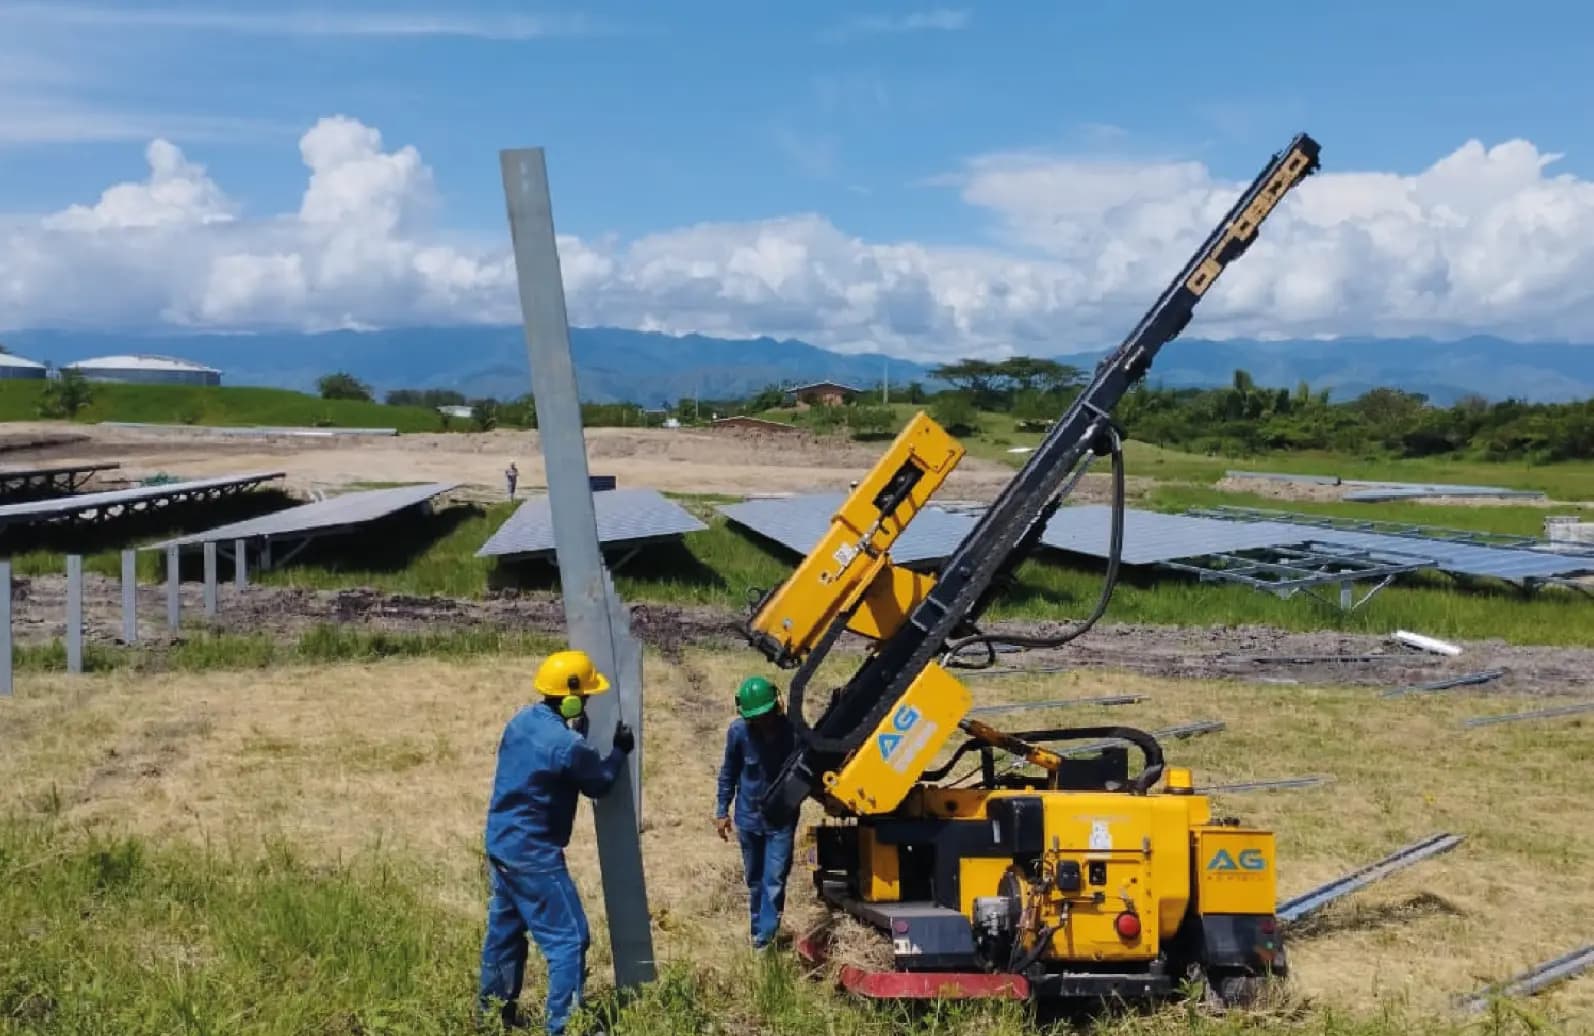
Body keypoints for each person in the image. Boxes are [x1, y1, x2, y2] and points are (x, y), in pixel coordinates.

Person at [479, 649, 635, 1033]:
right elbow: (597, 781)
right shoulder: (567, 747)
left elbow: (547, 760)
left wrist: (574, 731)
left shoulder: (522, 722)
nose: (586, 702)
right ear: (569, 699)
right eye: (584, 697)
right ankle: (562, 1026)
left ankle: (491, 1015)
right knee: (570, 940)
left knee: (505, 935)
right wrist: (619, 751)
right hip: (534, 856)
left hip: (502, 845)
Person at [714, 675, 798, 950]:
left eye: (766, 715)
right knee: (755, 881)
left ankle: (765, 941)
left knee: (774, 879)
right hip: (749, 818)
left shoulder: (793, 731)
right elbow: (728, 773)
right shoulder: (738, 733)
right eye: (756, 718)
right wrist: (721, 810)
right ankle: (758, 931)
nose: (763, 722)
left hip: (781, 819)